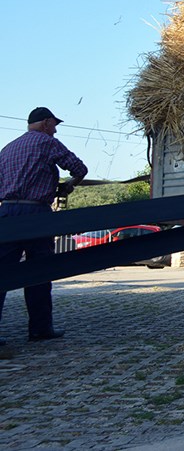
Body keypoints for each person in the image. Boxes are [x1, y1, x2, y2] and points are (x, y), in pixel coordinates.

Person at [0, 107, 88, 344]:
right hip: (36, 213)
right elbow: (80, 168)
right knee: (39, 271)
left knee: (2, 273)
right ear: (47, 123)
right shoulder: (47, 142)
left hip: (7, 212)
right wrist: (69, 183)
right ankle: (40, 328)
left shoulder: (7, 148)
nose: (56, 130)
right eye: (54, 125)